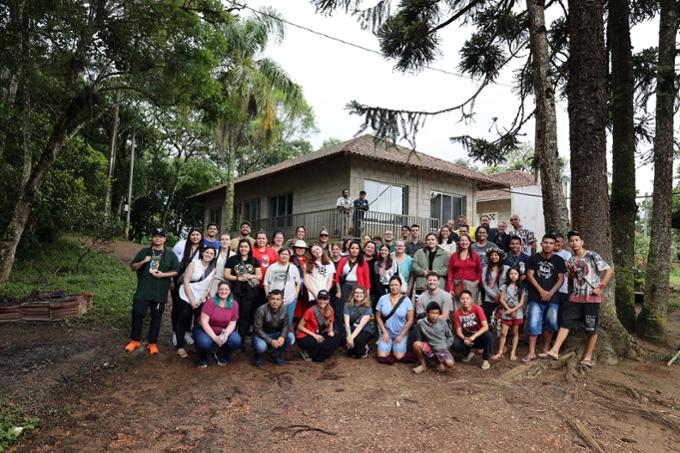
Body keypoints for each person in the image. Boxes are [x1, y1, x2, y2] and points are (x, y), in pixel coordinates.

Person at [546, 231, 613, 368]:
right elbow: (572, 280)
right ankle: (554, 350)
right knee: (566, 323)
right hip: (576, 297)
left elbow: (609, 270)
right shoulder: (571, 260)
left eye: (577, 240)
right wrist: (571, 273)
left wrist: (600, 287)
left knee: (591, 328)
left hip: (591, 298)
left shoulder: (591, 255)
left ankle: (588, 356)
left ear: (582, 242)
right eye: (571, 241)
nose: (574, 243)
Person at [125, 228, 179, 354]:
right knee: (137, 313)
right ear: (152, 238)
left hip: (159, 292)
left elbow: (176, 270)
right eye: (155, 236)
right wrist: (144, 261)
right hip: (143, 291)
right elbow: (133, 267)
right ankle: (135, 340)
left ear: (165, 239)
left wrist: (163, 275)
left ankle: (152, 343)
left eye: (161, 236)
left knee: (156, 317)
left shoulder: (170, 255)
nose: (158, 238)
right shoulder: (144, 252)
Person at [523, 234, 566, 362]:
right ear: (541, 244)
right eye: (546, 242)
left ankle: (545, 349)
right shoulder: (533, 258)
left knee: (551, 324)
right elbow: (530, 275)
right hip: (535, 296)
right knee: (533, 323)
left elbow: (561, 279)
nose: (548, 245)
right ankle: (531, 352)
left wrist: (550, 293)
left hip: (553, 298)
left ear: (555, 245)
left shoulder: (558, 260)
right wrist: (541, 291)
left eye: (551, 243)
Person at [176, 246, 217, 358]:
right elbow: (185, 282)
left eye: (211, 253)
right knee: (183, 319)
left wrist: (201, 300)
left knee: (199, 322)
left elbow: (208, 288)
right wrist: (191, 300)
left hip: (201, 299)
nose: (209, 255)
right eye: (207, 252)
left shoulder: (213, 269)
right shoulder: (193, 264)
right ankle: (180, 346)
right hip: (186, 296)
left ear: (214, 256)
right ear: (203, 253)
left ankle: (196, 344)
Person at [193, 282, 241, 368]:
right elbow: (204, 322)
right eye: (221, 289)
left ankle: (222, 355)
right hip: (205, 329)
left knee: (236, 340)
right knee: (205, 343)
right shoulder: (210, 302)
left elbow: (232, 323)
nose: (223, 291)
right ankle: (203, 359)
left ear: (230, 291)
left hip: (222, 330)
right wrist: (214, 337)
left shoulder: (234, 304)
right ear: (217, 291)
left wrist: (225, 335)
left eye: (226, 289)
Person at [224, 239, 262, 342]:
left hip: (249, 293)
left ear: (249, 248)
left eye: (246, 247)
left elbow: (259, 276)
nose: (243, 249)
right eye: (241, 247)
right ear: (238, 248)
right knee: (233, 314)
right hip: (235, 291)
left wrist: (250, 276)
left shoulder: (254, 260)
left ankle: (241, 339)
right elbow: (226, 274)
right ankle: (230, 337)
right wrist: (238, 278)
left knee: (245, 316)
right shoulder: (232, 259)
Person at [171, 227, 203, 348]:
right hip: (179, 280)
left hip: (195, 283)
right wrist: (171, 280)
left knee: (189, 308)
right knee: (177, 307)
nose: (195, 237)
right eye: (193, 234)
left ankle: (186, 332)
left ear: (201, 236)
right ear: (189, 235)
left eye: (198, 234)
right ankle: (176, 331)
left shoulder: (203, 248)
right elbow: (172, 261)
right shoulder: (181, 245)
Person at [375, 275, 414, 364]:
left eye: (396, 285)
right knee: (382, 356)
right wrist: (384, 332)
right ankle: (390, 347)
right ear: (389, 286)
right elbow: (378, 316)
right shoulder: (383, 298)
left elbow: (410, 319)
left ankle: (397, 349)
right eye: (392, 285)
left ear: (400, 286)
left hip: (401, 332)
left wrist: (402, 335)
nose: (394, 287)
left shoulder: (406, 300)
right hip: (387, 332)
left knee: (399, 356)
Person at [452, 290, 493, 370]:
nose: (465, 301)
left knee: (488, 335)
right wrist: (464, 338)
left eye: (467, 298)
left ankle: (485, 359)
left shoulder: (477, 309)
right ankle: (468, 354)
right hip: (466, 337)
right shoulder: (457, 313)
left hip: (478, 336)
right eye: (462, 299)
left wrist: (473, 337)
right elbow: (458, 331)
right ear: (460, 300)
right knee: (453, 342)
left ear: (471, 299)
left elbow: (485, 327)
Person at [252, 290, 295, 366]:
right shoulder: (261, 310)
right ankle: (257, 356)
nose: (275, 301)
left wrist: (282, 336)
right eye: (273, 299)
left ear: (282, 301)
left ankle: (276, 354)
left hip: (275, 333)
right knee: (261, 347)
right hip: (261, 334)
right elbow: (257, 329)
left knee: (290, 337)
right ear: (269, 299)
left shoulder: (284, 309)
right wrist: (270, 341)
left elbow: (286, 325)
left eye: (278, 299)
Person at [296, 290, 341, 362]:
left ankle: (315, 355)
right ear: (317, 299)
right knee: (321, 342)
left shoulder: (330, 309)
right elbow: (300, 326)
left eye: (325, 299)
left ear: (328, 300)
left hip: (318, 333)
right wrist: (314, 335)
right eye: (320, 299)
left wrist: (331, 331)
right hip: (305, 335)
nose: (322, 301)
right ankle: (311, 354)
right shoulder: (311, 310)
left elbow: (331, 322)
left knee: (336, 336)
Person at [491, 267, 526, 361]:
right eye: (511, 274)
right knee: (503, 333)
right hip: (506, 312)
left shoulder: (521, 288)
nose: (513, 276)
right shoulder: (504, 287)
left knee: (515, 333)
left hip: (517, 313)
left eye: (515, 274)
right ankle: (500, 352)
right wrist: (509, 310)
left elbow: (521, 303)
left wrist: (512, 310)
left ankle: (513, 352)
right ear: (508, 275)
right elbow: (501, 300)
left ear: (519, 276)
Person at [412, 302, 455, 374]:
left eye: (436, 313)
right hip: (430, 349)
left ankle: (438, 362)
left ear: (439, 314)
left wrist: (446, 347)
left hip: (442, 349)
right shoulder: (421, 323)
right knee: (416, 344)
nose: (434, 315)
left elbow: (450, 336)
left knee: (450, 364)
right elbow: (419, 339)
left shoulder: (443, 322)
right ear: (427, 313)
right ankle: (423, 365)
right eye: (432, 313)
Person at [264, 248, 301, 324]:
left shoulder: (293, 268)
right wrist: (268, 296)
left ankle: (286, 335)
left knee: (288, 321)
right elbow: (266, 283)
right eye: (282, 254)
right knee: (274, 322)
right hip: (275, 300)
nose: (284, 256)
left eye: (286, 254)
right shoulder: (272, 267)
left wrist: (295, 296)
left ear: (289, 256)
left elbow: (298, 283)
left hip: (290, 299)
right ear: (278, 255)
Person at [335, 241, 371, 317]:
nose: (354, 250)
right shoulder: (343, 260)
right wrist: (339, 291)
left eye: (357, 248)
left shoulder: (363, 262)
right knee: (344, 307)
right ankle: (343, 326)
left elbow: (367, 280)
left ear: (359, 250)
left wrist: (367, 295)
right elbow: (337, 277)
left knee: (357, 307)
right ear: (349, 249)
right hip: (345, 286)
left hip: (358, 287)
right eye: (352, 248)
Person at [446, 234, 482, 306]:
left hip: (472, 284)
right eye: (462, 240)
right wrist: (449, 287)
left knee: (471, 306)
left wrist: (477, 281)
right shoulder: (454, 256)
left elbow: (479, 271)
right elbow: (450, 272)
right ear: (459, 242)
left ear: (469, 242)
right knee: (457, 306)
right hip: (457, 284)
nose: (464, 242)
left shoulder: (475, 256)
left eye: (466, 240)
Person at [343, 286, 374, 359]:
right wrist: (348, 336)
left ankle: (365, 347)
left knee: (358, 354)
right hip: (353, 327)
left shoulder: (368, 308)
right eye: (356, 292)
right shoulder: (347, 305)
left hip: (365, 330)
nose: (358, 294)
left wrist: (351, 338)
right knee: (343, 339)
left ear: (364, 295)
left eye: (361, 293)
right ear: (353, 294)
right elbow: (347, 323)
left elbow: (361, 325)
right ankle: (352, 348)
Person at [481, 248, 509, 323]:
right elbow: (485, 284)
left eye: (496, 255)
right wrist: (494, 296)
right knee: (489, 319)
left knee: (502, 319)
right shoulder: (485, 269)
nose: (494, 257)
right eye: (492, 255)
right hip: (489, 298)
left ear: (500, 256)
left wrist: (500, 294)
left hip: (503, 297)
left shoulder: (506, 268)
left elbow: (508, 282)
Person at [553, 232, 573, 322]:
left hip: (562, 288)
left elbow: (566, 267)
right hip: (548, 288)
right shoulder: (546, 253)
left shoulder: (567, 254)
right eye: (554, 241)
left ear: (562, 243)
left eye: (558, 241)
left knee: (561, 312)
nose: (556, 243)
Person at [291, 239, 309, 320]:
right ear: (294, 249)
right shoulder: (290, 259)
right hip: (293, 286)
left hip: (306, 287)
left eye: (302, 248)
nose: (300, 249)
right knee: (295, 306)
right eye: (298, 247)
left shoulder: (308, 260)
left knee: (304, 306)